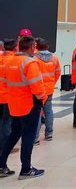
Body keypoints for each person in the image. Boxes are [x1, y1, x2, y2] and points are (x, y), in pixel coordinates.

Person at [0, 36, 46, 180]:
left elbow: (5, 83)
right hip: (30, 104)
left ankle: (1, 165)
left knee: (14, 134)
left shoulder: (10, 61)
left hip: (14, 104)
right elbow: (37, 87)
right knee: (28, 136)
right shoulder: (30, 63)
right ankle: (26, 169)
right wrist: (42, 98)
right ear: (32, 47)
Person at [34, 38, 61, 144]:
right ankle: (49, 133)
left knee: (37, 113)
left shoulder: (34, 59)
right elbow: (58, 73)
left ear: (36, 46)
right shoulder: (54, 58)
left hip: (37, 89)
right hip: (49, 89)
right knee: (48, 111)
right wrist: (51, 84)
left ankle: (35, 138)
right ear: (47, 46)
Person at [0, 39, 17, 154]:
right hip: (7, 96)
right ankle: (6, 145)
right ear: (15, 47)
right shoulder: (14, 60)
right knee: (7, 122)